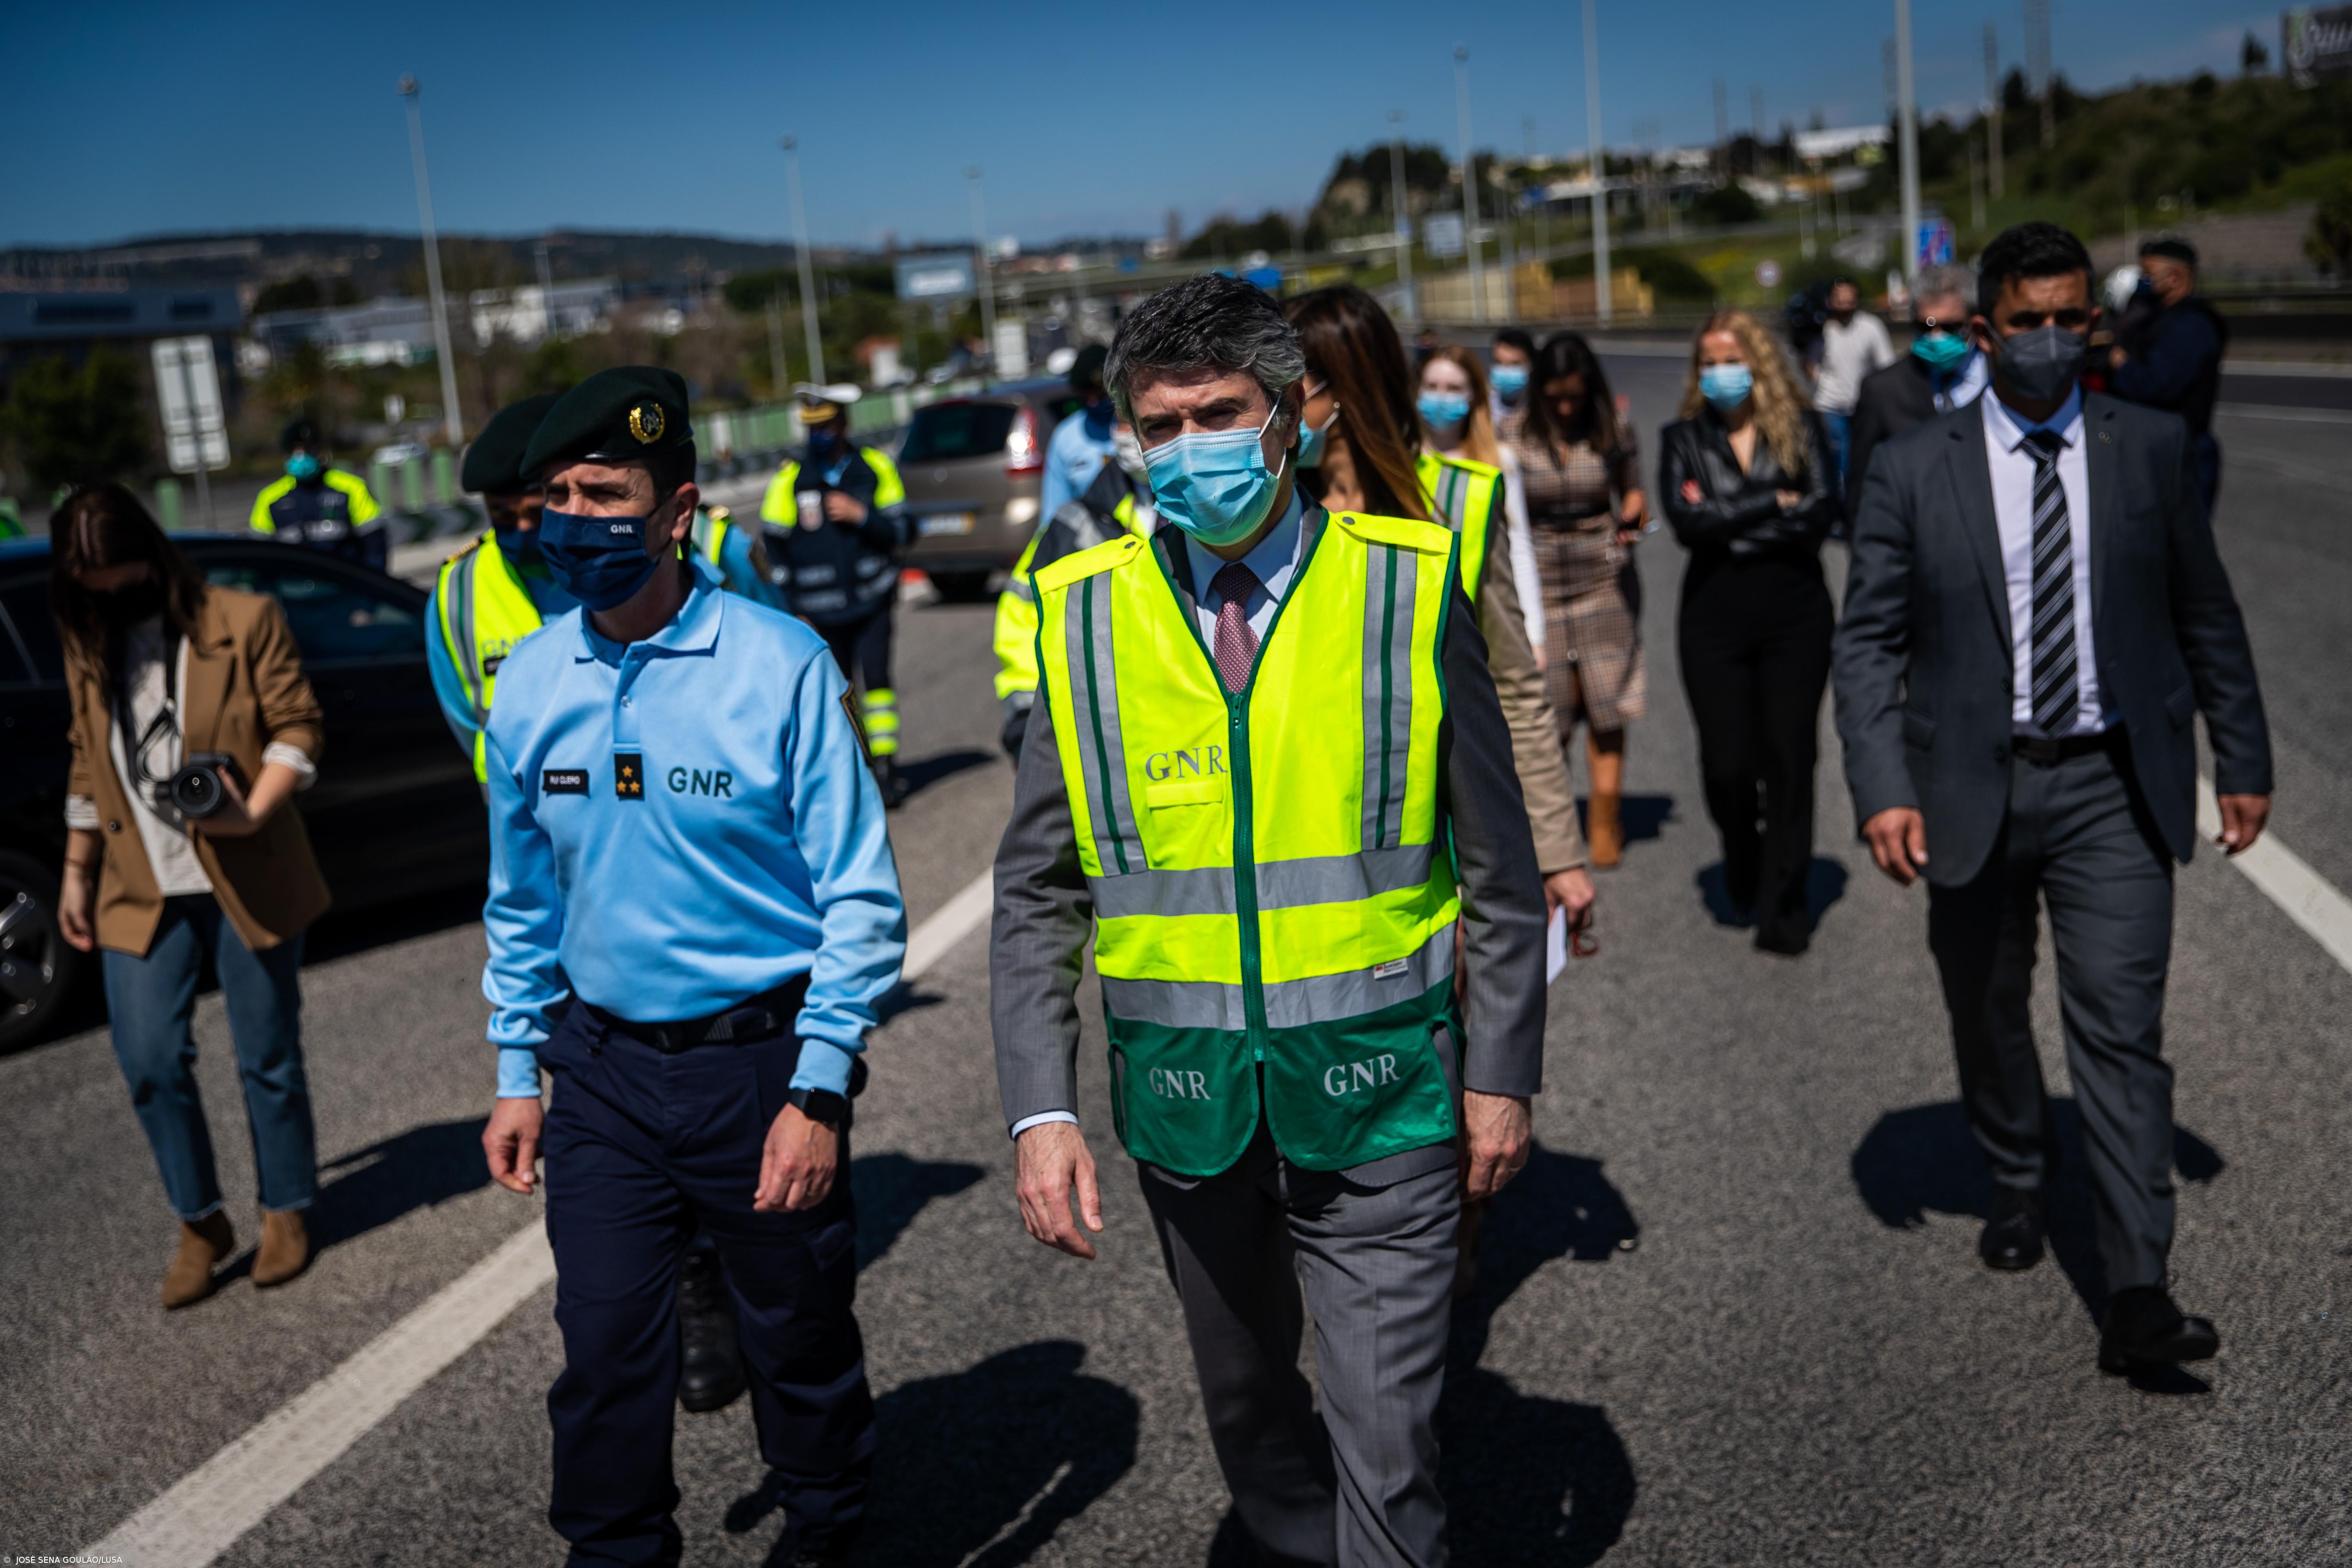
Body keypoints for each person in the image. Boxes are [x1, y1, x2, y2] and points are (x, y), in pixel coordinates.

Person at [992, 273, 1546, 1565]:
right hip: (1187, 1108)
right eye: (1162, 425)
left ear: (1291, 414)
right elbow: (1034, 892)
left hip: (1382, 1094)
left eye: (1220, 414)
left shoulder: (1410, 587)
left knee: (1388, 1443)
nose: (1191, 448)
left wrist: (1501, 1073)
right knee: (1249, 1418)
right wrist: (1039, 1112)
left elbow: (1500, 870)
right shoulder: (1080, 615)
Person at [479, 368, 904, 1566]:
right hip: (602, 1076)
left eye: (604, 494)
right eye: (558, 496)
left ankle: (825, 1528)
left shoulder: (780, 664)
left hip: (760, 1068)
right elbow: (521, 900)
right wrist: (516, 1069)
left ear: (676, 514)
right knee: (606, 1351)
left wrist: (818, 1088)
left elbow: (861, 897)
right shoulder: (528, 680)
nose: (573, 519)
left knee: (796, 1340)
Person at [1833, 222, 2272, 1376]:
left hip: (2111, 783)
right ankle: (2020, 1170)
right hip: (1966, 785)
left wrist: (2242, 757)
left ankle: (2137, 1289)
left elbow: (2205, 610)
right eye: (2024, 322)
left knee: (2119, 1032)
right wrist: (1881, 786)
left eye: (2067, 319)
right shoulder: (1911, 467)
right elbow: (1867, 644)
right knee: (1987, 1009)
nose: (2047, 339)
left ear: (2094, 324)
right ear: (1985, 333)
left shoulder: (2149, 446)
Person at [428, 391, 754, 1416]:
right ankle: (659, 1285)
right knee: (610, 1124)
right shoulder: (459, 598)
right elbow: (478, 745)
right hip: (564, 892)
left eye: (546, 506)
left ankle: (713, 1274)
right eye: (512, 514)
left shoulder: (704, 554)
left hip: (689, 886)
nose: (535, 530)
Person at [50, 483, 329, 1308]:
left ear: (152, 558)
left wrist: (252, 810)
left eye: (124, 582)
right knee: (148, 1060)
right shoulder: (87, 640)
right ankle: (201, 1221)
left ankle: (286, 1207)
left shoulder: (241, 619)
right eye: (94, 588)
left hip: (247, 868)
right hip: (138, 882)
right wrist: (75, 871)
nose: (113, 599)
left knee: (266, 1056)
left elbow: (298, 725)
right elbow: (85, 756)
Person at [1291, 287, 1594, 930]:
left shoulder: (1456, 502)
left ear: (1343, 390)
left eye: (1289, 383)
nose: (1272, 405)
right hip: (1301, 852)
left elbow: (1513, 687)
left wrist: (1556, 852)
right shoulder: (1269, 516)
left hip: (1435, 863)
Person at [1659, 309, 1839, 954]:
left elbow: (1821, 510)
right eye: (1708, 363)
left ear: (1758, 363)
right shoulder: (1682, 439)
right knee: (1727, 765)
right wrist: (1771, 502)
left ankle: (1784, 903)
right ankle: (1743, 851)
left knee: (1790, 759)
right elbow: (1686, 524)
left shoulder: (1803, 428)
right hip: (1713, 620)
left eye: (1731, 361)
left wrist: (1727, 521)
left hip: (1795, 614)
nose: (1719, 374)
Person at [1503, 332, 1649, 870]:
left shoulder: (1612, 427)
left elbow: (1632, 488)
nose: (1566, 408)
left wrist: (1632, 512)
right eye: (1555, 397)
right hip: (1536, 583)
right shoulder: (1510, 434)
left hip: (1602, 577)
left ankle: (1604, 820)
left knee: (1607, 705)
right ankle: (1553, 821)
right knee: (1550, 711)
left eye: (1575, 397)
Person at [760, 383, 914, 805]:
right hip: (819, 614)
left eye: (826, 426)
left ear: (844, 424)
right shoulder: (791, 480)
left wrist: (862, 515)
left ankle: (886, 770)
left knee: (878, 685)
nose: (820, 435)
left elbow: (903, 530)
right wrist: (793, 609)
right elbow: (773, 551)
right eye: (813, 428)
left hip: (872, 600)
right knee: (838, 694)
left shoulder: (874, 468)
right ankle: (856, 772)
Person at [993, 414, 1154, 761]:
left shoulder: (1214, 517)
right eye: (1125, 418)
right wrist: (1025, 716)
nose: (1136, 432)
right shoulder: (1073, 526)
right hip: (1104, 737)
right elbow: (1023, 617)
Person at [1417, 344, 1546, 667]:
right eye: (1431, 386)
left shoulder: (1498, 462)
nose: (1441, 397)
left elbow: (1518, 546)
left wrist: (1533, 633)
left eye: (1453, 389)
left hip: (1472, 625)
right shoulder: (1399, 463)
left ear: (1474, 395)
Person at [1845, 264, 1988, 526]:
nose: (1935, 337)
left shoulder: (2002, 379)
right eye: (1925, 326)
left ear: (1974, 324)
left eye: (1950, 327)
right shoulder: (1883, 390)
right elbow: (1861, 486)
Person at [2108, 236, 2228, 514]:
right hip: (2150, 447)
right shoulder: (2154, 318)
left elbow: (2155, 386)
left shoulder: (2192, 326)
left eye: (2148, 274)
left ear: (2175, 278)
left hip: (2182, 452)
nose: (2142, 282)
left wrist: (2119, 363)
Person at [249, 417, 383, 556]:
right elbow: (258, 553)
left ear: (320, 451)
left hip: (341, 570)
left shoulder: (353, 488)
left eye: (307, 449)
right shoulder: (269, 498)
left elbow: (375, 545)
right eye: (294, 450)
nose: (300, 457)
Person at [1807, 275, 1894, 483]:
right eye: (1840, 301)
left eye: (1849, 301)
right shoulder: (1821, 329)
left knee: (1862, 456)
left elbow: (1886, 365)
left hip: (1861, 405)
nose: (1845, 306)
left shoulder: (1871, 327)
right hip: (1830, 406)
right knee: (1839, 459)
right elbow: (1812, 368)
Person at [1039, 343, 1120, 521]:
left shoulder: (1138, 425)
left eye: (1100, 394)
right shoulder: (1066, 437)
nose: (1093, 403)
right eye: (1085, 396)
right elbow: (1054, 509)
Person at [1489, 326, 1536, 430]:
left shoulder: (1541, 408)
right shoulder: (1482, 408)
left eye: (1515, 364)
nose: (1505, 371)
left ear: (1531, 365)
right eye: (1499, 362)